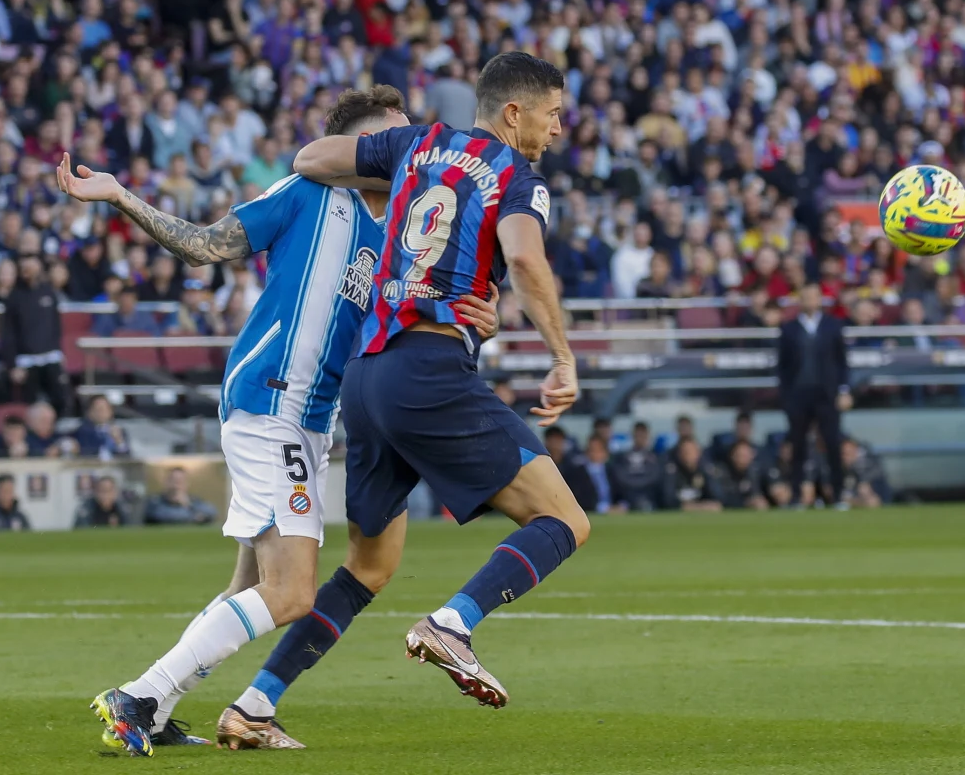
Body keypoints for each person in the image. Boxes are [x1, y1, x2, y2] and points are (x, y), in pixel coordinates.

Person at [60, 86, 499, 755]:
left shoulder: (397, 240)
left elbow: (406, 330)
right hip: (272, 403)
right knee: (291, 593)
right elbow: (206, 247)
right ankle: (137, 697)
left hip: (307, 422)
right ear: (357, 145)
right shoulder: (306, 193)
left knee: (247, 588)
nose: (405, 146)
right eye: (390, 134)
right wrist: (121, 196)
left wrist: (470, 319)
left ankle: (151, 707)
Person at [293, 51, 588, 712]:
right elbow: (524, 256)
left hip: (364, 378)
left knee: (366, 568)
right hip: (427, 369)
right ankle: (452, 622)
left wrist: (382, 183)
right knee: (565, 518)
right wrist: (562, 356)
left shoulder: (416, 145)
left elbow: (310, 160)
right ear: (514, 113)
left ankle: (255, 702)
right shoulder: (519, 177)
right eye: (553, 114)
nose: (559, 128)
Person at [777, 282, 851, 507]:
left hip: (826, 395)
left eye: (813, 296)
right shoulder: (789, 329)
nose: (810, 301)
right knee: (798, 448)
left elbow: (842, 362)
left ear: (820, 299)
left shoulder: (833, 326)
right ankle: (797, 497)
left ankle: (838, 495)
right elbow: (782, 367)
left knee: (832, 444)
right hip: (799, 395)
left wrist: (844, 389)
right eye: (805, 296)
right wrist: (786, 396)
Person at [1, 255, 66, 415]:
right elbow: (8, 333)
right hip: (27, 360)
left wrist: (59, 352)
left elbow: (56, 326)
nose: (28, 272)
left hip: (51, 356)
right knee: (29, 403)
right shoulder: (14, 298)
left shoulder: (49, 293)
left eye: (31, 268)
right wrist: (12, 365)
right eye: (25, 269)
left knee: (61, 398)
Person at [144, 467, 218, 525]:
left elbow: (211, 513)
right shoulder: (155, 502)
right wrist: (193, 518)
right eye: (173, 480)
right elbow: (158, 516)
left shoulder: (194, 501)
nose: (176, 485)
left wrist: (188, 505)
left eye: (180, 481)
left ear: (187, 483)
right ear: (166, 482)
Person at [74, 395, 131, 459]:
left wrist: (120, 443)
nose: (101, 412)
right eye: (98, 409)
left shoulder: (120, 432)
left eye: (105, 409)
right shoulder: (81, 432)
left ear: (111, 412)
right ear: (89, 412)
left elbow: (127, 459)